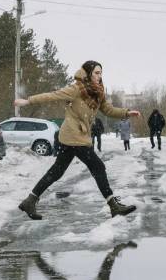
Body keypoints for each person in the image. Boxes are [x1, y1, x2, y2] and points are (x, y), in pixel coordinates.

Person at [13, 60, 141, 219]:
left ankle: (30, 200)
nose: (99, 76)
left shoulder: (97, 92)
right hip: (74, 136)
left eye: (101, 73)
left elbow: (108, 110)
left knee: (56, 171)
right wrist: (28, 101)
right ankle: (113, 206)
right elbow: (53, 95)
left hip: (75, 137)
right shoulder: (76, 89)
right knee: (98, 167)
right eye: (96, 73)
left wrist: (127, 113)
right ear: (88, 73)